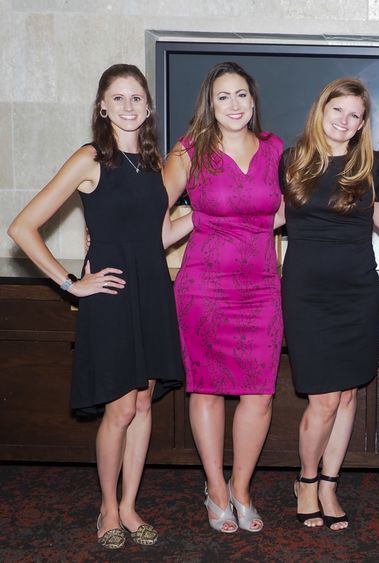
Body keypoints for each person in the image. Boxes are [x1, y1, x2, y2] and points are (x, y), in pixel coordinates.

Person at [7, 64, 188, 549]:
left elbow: (158, 235)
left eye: (137, 98)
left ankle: (130, 506)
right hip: (109, 294)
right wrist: (71, 283)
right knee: (121, 407)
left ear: (149, 108)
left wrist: (199, 216)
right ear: (102, 106)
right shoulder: (90, 159)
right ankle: (107, 507)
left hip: (152, 289)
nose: (129, 106)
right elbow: (23, 227)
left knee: (145, 400)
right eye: (118, 98)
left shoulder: (153, 165)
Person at [164, 62, 284, 534]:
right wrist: (199, 219)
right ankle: (215, 489)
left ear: (253, 102)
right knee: (207, 389)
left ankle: (241, 488)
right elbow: (154, 220)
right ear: (209, 105)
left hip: (260, 288)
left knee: (261, 396)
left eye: (241, 96)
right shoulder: (189, 151)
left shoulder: (275, 150)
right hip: (205, 288)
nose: (233, 105)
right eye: (223, 97)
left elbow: (283, 212)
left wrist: (243, 224)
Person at [281, 78, 379, 531]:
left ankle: (329, 483)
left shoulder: (373, 165)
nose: (345, 121)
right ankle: (306, 481)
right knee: (324, 400)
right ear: (320, 109)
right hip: (307, 293)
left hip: (360, 291)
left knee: (347, 395)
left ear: (363, 123)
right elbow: (266, 217)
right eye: (337, 110)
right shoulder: (292, 160)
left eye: (355, 115)